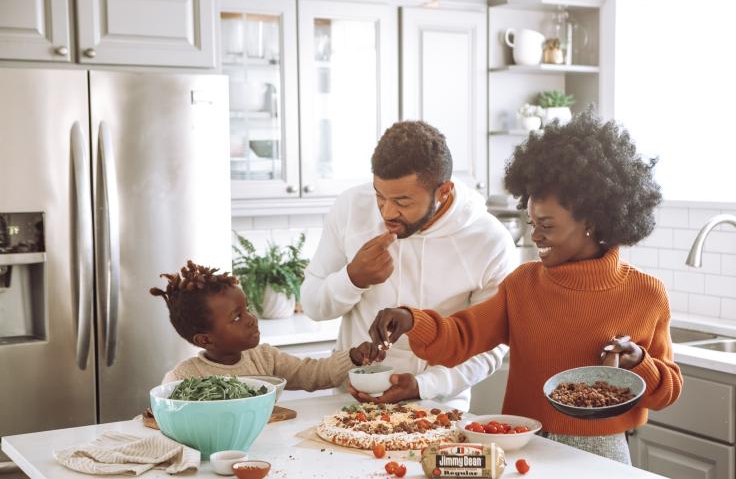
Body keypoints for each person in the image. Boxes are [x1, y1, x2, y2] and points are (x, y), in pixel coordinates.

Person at [367, 111, 684, 464]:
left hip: (601, 453)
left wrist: (638, 361)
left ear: (592, 222)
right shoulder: (523, 284)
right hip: (524, 445)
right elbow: (463, 335)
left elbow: (666, 390)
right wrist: (411, 320)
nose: (535, 235)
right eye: (531, 222)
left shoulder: (646, 293)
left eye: (546, 225)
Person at [300, 121, 518, 410]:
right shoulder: (351, 207)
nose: (388, 212)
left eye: (403, 201)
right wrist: (353, 278)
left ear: (443, 191)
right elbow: (313, 306)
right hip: (351, 404)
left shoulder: (490, 242)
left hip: (437, 407)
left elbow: (488, 348)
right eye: (380, 196)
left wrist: (422, 385)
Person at [151, 261, 382, 387]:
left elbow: (313, 373)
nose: (251, 319)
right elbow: (162, 418)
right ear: (205, 339)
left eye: (247, 309)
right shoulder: (183, 379)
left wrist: (352, 357)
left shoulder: (265, 358)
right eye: (237, 317)